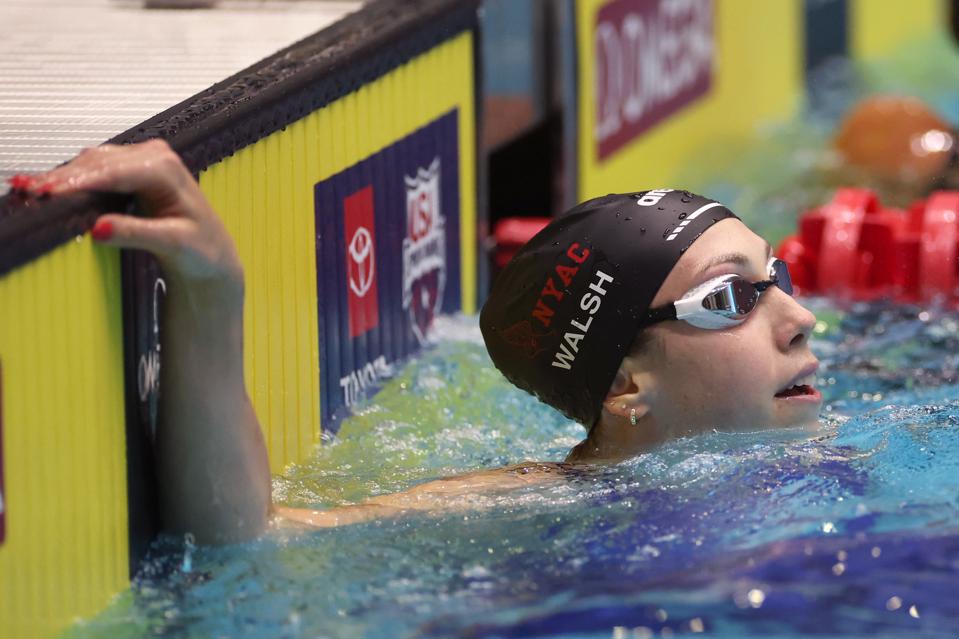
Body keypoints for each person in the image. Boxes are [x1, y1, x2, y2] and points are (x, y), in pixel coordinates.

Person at [20, 141, 821, 544]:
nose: (798, 315)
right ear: (622, 389)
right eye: (728, 297)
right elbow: (252, 541)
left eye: (777, 274)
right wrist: (212, 291)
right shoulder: (541, 502)